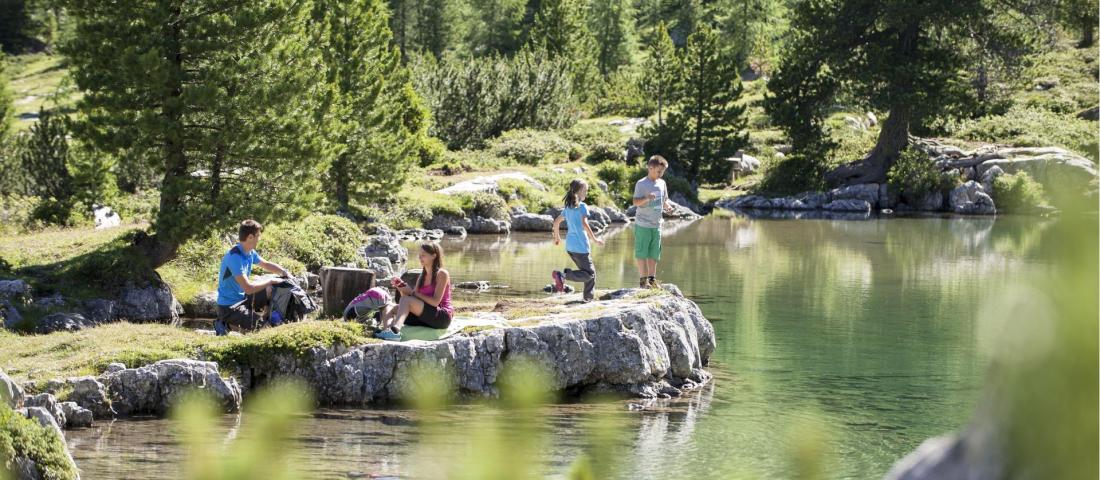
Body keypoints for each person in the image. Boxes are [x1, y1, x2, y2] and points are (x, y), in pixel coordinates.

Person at [214, 219, 293, 336]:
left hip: (243, 298)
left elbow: (266, 264)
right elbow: (249, 288)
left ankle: (269, 318)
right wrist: (270, 280)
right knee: (265, 329)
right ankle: (225, 324)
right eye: (258, 236)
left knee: (271, 289)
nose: (259, 239)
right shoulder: (234, 257)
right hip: (229, 307)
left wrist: (284, 272)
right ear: (250, 237)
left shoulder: (249, 252)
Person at [376, 242, 454, 341]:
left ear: (434, 256)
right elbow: (410, 300)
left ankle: (395, 331)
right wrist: (401, 287)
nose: (420, 258)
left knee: (405, 300)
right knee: (388, 306)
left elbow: (435, 302)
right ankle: (388, 331)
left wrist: (412, 293)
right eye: (419, 255)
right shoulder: (422, 276)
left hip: (441, 317)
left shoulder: (442, 274)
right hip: (424, 316)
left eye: (423, 255)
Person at [551, 179, 605, 302]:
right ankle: (563, 275)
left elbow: (556, 222)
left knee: (588, 273)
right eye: (585, 191)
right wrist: (595, 239)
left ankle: (588, 298)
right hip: (581, 247)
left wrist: (557, 237)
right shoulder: (582, 207)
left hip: (570, 247)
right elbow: (584, 224)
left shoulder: (568, 207)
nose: (586, 193)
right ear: (579, 191)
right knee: (590, 275)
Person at [632, 155, 674, 288]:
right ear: (650, 168)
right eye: (659, 171)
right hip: (643, 224)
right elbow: (636, 202)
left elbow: (665, 199)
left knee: (654, 254)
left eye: (663, 172)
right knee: (642, 253)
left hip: (657, 225)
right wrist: (647, 198)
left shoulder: (662, 183)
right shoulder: (641, 183)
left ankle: (651, 279)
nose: (661, 174)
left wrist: (667, 206)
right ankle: (643, 281)